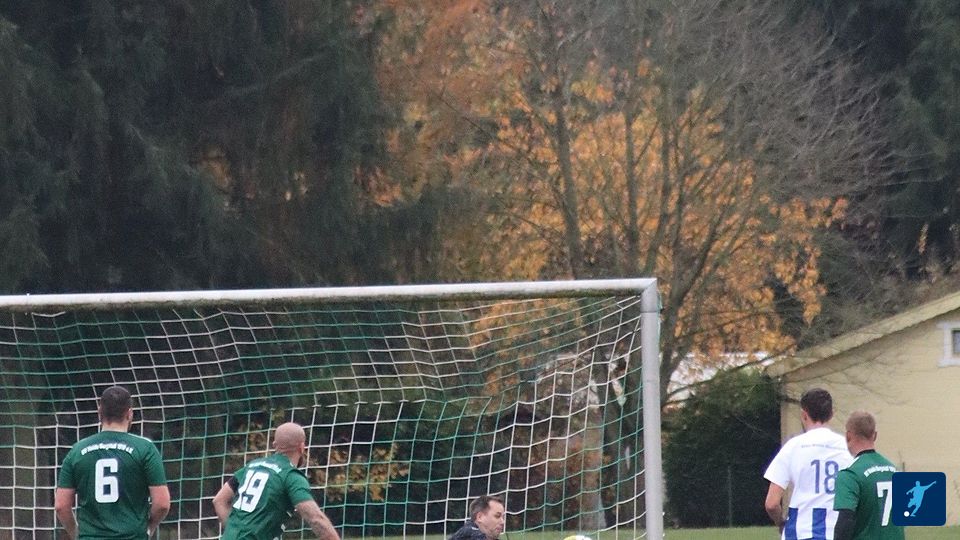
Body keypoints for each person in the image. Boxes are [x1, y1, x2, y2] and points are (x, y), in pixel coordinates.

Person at [54, 385, 171, 539]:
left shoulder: (77, 451)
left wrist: (77, 534)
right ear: (129, 413)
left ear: (99, 412)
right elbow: (162, 503)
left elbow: (61, 505)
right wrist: (149, 528)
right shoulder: (145, 449)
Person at [213, 422, 340, 540]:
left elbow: (219, 500)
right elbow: (316, 519)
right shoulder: (291, 476)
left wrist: (234, 531)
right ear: (302, 447)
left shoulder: (252, 466)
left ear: (274, 445)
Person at [764, 388, 852, 540]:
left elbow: (771, 503)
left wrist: (781, 523)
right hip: (835, 532)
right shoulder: (847, 447)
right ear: (831, 414)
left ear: (804, 415)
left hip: (800, 533)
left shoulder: (793, 446)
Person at [832, 411, 904, 540]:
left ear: (848, 436)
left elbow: (845, 521)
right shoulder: (895, 471)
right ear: (874, 435)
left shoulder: (850, 475)